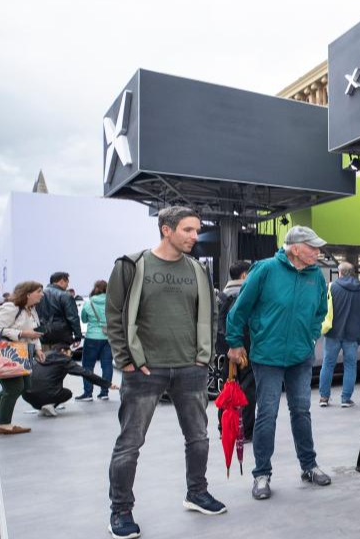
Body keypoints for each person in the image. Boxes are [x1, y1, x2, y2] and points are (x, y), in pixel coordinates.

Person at [106, 206, 226, 539]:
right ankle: (121, 510)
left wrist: (203, 357)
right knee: (130, 443)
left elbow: (210, 314)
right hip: (145, 369)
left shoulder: (198, 270)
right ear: (166, 230)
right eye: (188, 229)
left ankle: (197, 492)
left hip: (190, 368)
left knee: (198, 438)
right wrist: (126, 359)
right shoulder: (131, 266)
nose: (194, 236)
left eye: (196, 229)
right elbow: (114, 315)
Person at [226, 226, 332, 501]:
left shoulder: (315, 277)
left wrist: (310, 337)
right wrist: (235, 342)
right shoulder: (265, 269)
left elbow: (320, 311)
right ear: (295, 248)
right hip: (268, 356)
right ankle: (261, 474)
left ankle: (308, 466)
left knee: (302, 411)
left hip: (300, 356)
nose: (317, 252)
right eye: (312, 247)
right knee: (267, 413)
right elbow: (239, 309)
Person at [320, 261, 360, 408]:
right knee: (350, 366)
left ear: (340, 273)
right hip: (353, 334)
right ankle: (345, 399)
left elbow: (322, 308)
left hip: (332, 333)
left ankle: (324, 397)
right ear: (353, 273)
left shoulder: (332, 287)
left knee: (328, 364)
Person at [0, 281, 46, 435]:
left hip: (21, 354)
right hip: (7, 354)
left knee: (25, 386)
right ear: (28, 293)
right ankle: (4, 423)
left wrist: (38, 349)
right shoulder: (11, 307)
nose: (42, 294)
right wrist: (21, 334)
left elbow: (34, 332)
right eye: (39, 291)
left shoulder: (31, 310)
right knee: (14, 387)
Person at [216, 260, 254, 442]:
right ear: (244, 275)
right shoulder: (246, 294)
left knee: (227, 387)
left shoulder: (221, 295)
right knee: (248, 388)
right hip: (245, 347)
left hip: (224, 349)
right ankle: (245, 431)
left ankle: (224, 427)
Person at [24, 342, 118, 416]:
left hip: (27, 395)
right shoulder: (64, 360)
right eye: (70, 353)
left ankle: (41, 407)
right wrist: (107, 384)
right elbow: (85, 373)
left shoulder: (42, 355)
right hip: (48, 394)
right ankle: (49, 404)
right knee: (68, 393)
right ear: (63, 351)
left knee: (44, 386)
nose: (71, 356)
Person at [78, 280, 113, 401]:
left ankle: (88, 393)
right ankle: (104, 392)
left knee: (88, 366)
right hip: (108, 337)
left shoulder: (89, 303)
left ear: (95, 288)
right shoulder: (112, 302)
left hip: (92, 337)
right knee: (107, 365)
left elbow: (84, 319)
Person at [38, 271, 82, 347]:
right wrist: (78, 336)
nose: (67, 286)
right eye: (67, 283)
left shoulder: (39, 295)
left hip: (42, 334)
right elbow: (73, 317)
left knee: (44, 354)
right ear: (61, 281)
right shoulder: (66, 296)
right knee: (61, 354)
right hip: (62, 336)